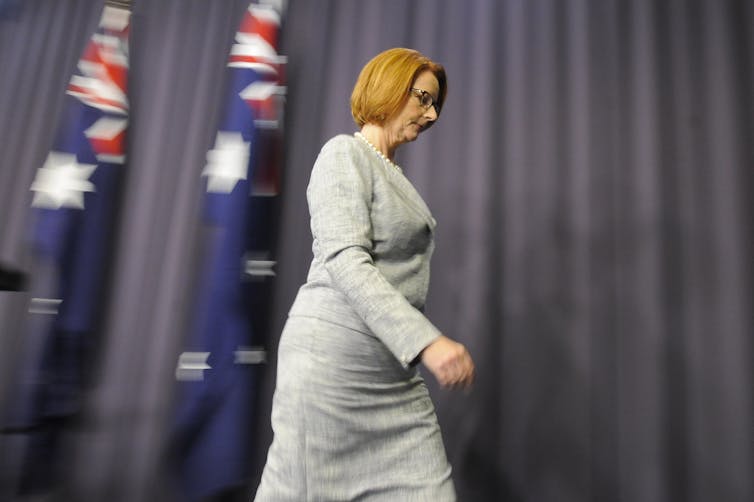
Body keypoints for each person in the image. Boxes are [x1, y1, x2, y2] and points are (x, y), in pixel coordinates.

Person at [254, 47, 475, 501]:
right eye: (423, 98)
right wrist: (428, 341)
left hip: (390, 374)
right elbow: (345, 261)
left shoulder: (388, 170)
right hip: (332, 368)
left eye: (436, 104)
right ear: (389, 87)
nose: (431, 115)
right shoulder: (342, 155)